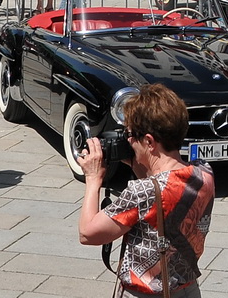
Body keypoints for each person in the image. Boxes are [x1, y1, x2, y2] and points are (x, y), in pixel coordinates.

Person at [79, 83, 216, 297]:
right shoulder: (204, 173)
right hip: (187, 289)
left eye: (131, 135)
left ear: (149, 141)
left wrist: (93, 178)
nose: (129, 141)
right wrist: (139, 164)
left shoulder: (142, 192)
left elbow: (88, 234)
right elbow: (164, 195)